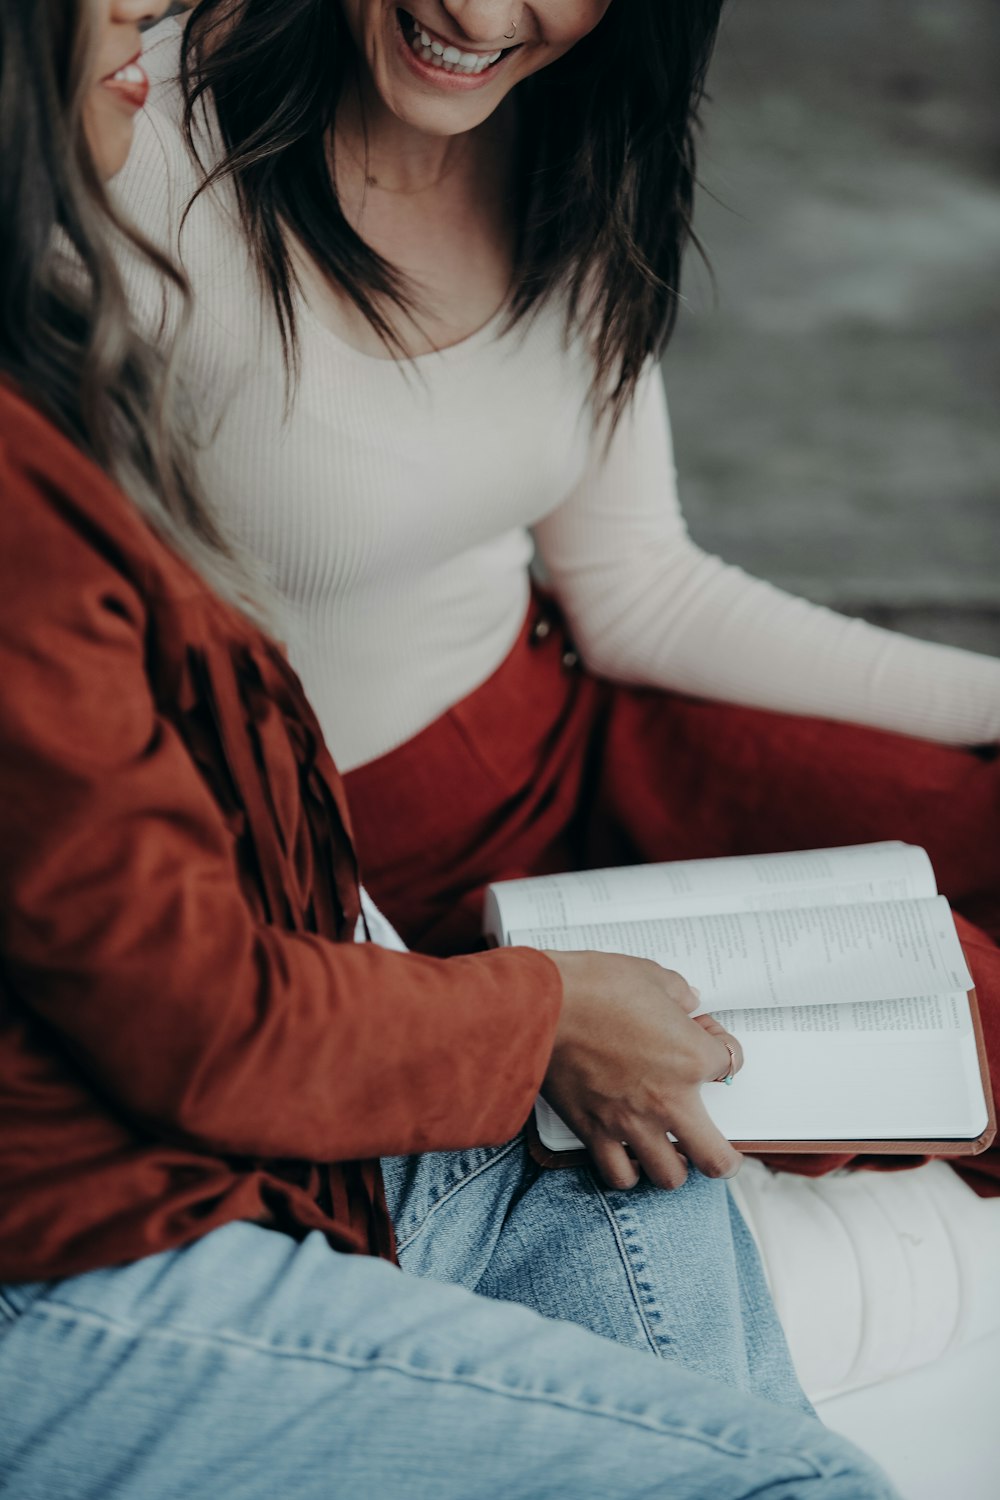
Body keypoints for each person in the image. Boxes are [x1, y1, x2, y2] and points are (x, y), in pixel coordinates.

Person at [0, 2, 902, 1496]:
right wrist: (533, 1017)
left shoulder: (565, 171)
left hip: (354, 976)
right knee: (798, 1477)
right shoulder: (136, 255)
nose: (142, 21)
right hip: (111, 1200)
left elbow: (637, 579)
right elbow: (200, 1016)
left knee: (646, 1166)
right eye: (88, 6)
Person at [110, 0, 1000, 1193]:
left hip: (570, 733)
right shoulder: (126, 141)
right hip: (353, 875)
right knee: (966, 1025)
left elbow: (639, 586)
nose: (473, 12)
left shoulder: (574, 129)